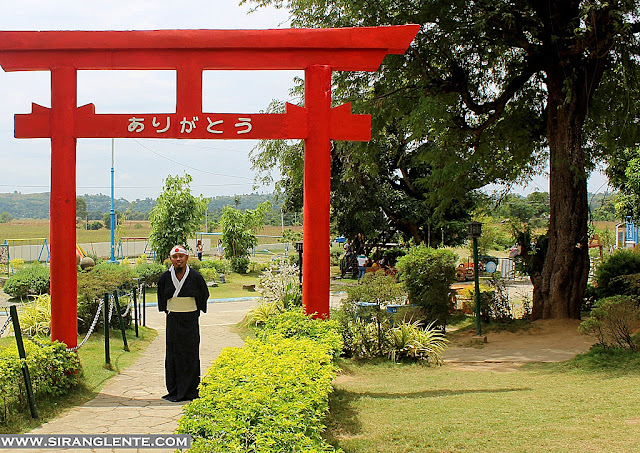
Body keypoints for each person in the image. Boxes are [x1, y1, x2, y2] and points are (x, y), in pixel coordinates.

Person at [157, 245, 209, 402]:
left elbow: (204, 295)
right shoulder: (165, 278)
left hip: (191, 320)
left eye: (181, 256)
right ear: (170, 259)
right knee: (173, 354)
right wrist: (168, 310)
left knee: (191, 353)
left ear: (187, 258)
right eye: (175, 257)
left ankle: (191, 390)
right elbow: (161, 297)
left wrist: (195, 311)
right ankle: (174, 389)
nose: (178, 260)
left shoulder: (195, 277)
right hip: (173, 320)